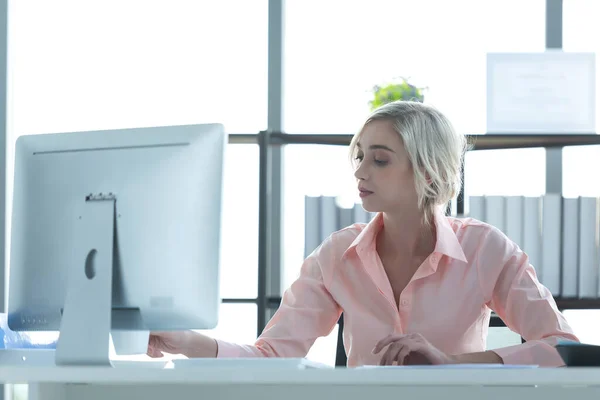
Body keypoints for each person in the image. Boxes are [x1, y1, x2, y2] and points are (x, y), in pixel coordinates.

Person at [148, 100, 578, 367]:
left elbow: (562, 347)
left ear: (427, 171)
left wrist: (453, 363)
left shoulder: (486, 249)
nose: (359, 171)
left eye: (380, 159)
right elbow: (273, 356)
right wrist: (188, 342)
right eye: (358, 156)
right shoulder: (337, 254)